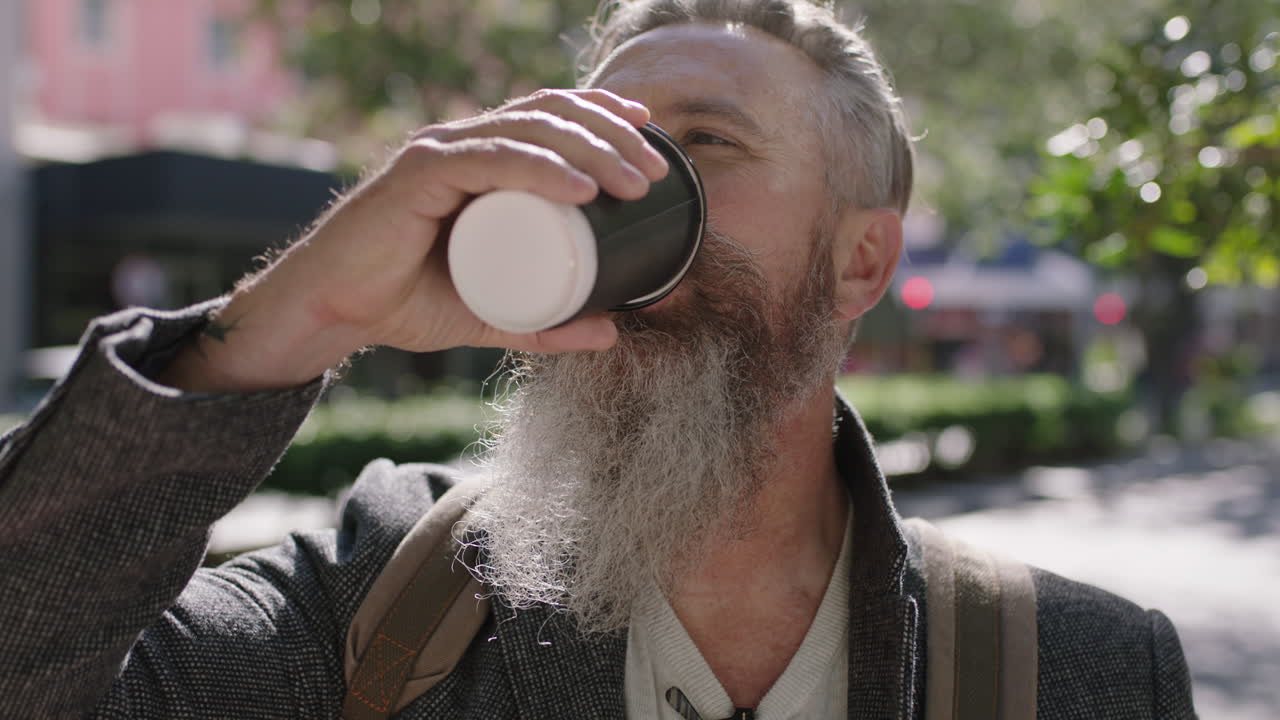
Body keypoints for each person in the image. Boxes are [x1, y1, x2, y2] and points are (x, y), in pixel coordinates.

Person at [0, 1, 1196, 718]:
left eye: (704, 145)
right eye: (590, 146)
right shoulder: (378, 603)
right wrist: (280, 326)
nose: (608, 192)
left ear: (858, 264)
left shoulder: (1076, 671)